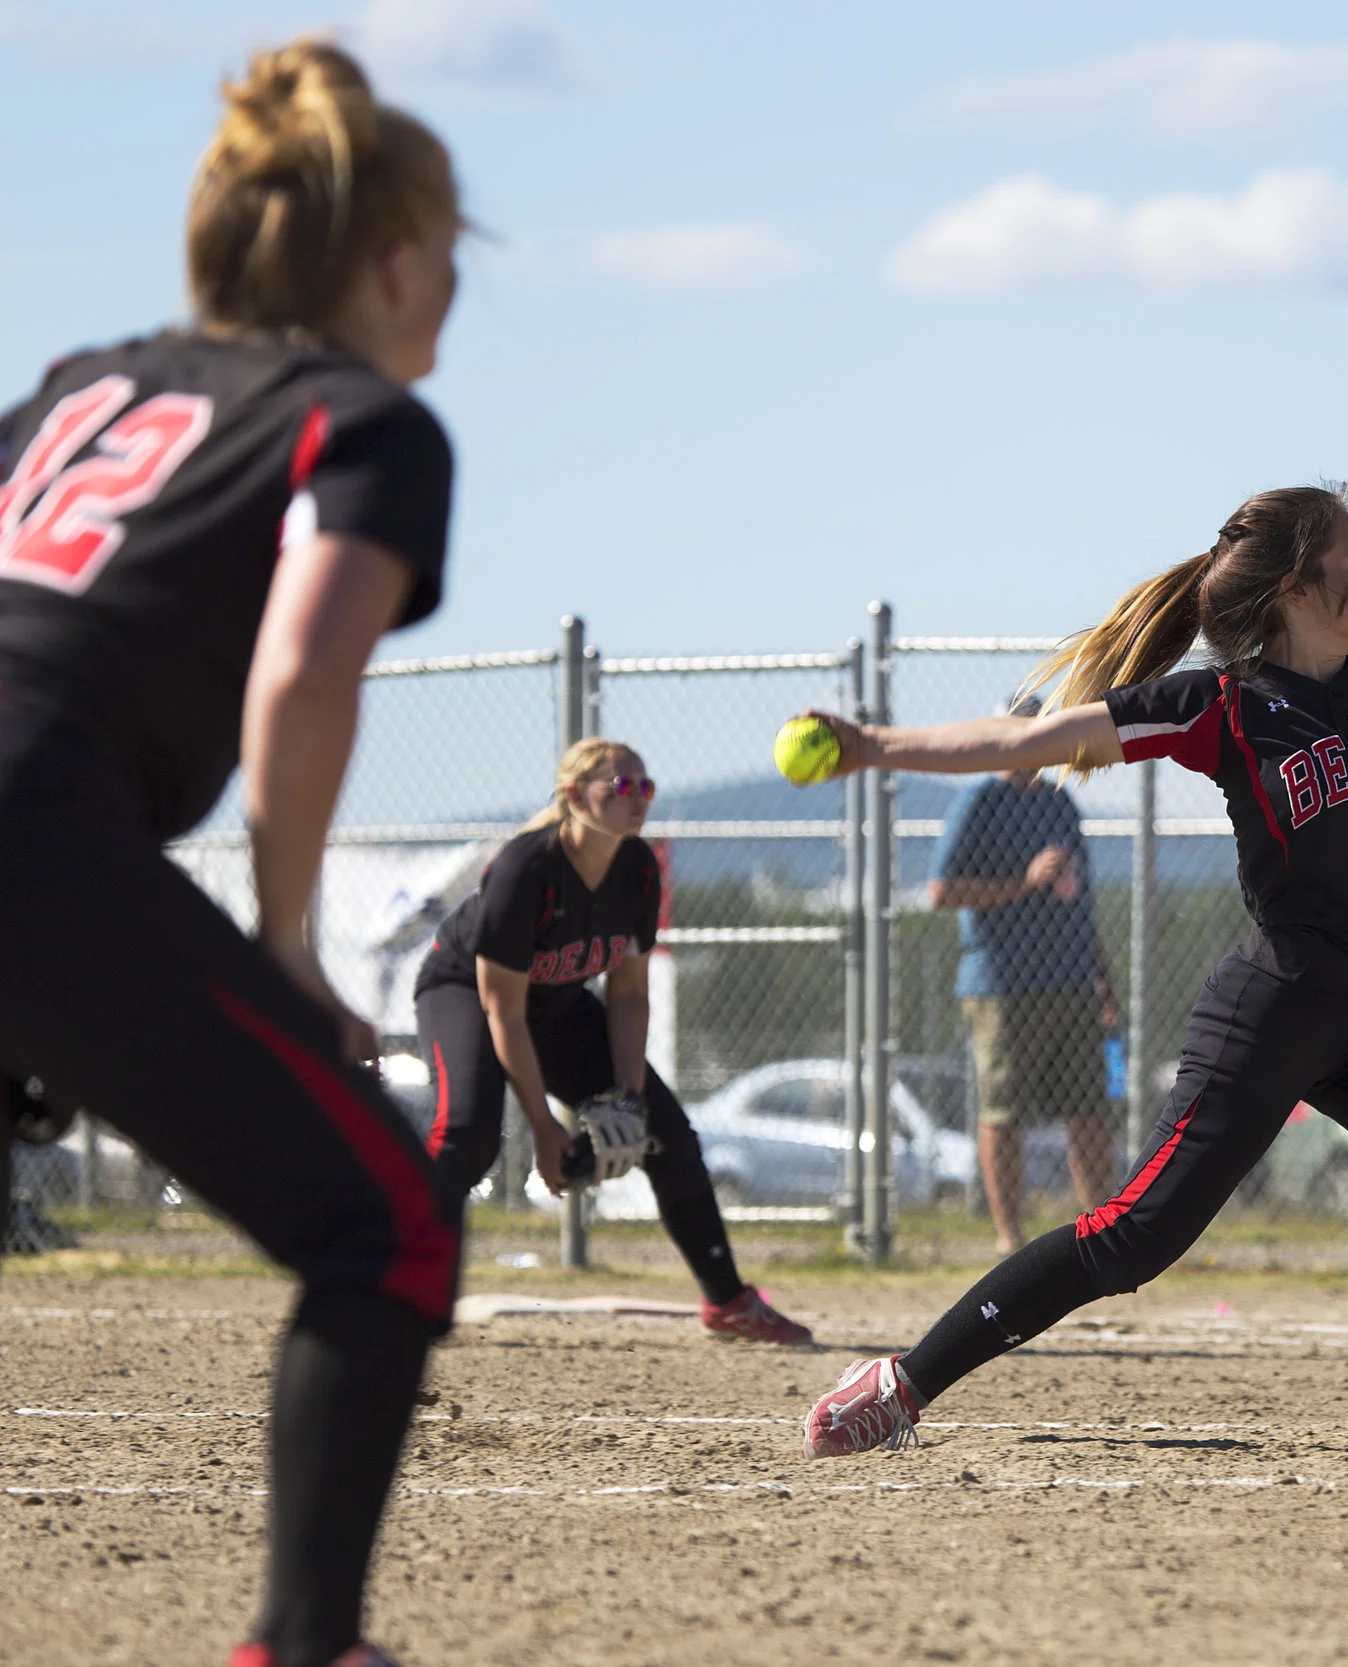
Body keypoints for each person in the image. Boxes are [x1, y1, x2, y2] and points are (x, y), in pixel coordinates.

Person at [793, 483, 1348, 1457]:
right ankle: (903, 1379)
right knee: (1134, 1233)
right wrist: (870, 746)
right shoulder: (1224, 705)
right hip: (1270, 1011)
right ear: (1293, 587)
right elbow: (1028, 740)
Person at [0, 40, 464, 1667]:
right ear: (395, 260)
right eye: (453, 256)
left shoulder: (79, 382)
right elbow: (299, 671)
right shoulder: (367, 422)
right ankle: (306, 1645)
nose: (454, 293)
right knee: (390, 1221)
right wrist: (281, 937)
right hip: (31, 825)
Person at [411, 738, 810, 1343]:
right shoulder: (526, 870)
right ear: (575, 796)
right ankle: (396, 1288)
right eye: (621, 787)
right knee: (466, 1133)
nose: (638, 798)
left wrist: (627, 1098)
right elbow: (504, 1011)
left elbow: (628, 993)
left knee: (668, 1134)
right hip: (465, 994)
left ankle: (728, 1302)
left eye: (645, 787)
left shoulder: (636, 869)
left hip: (559, 1005)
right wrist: (545, 1131)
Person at [929, 696, 1121, 1253]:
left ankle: (1104, 1234)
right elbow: (941, 892)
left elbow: (1082, 900)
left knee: (1089, 1110)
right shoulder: (978, 801)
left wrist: (1102, 977)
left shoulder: (1060, 803)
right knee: (1005, 1113)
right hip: (1004, 986)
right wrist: (1025, 880)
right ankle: (1009, 1238)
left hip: (1072, 982)